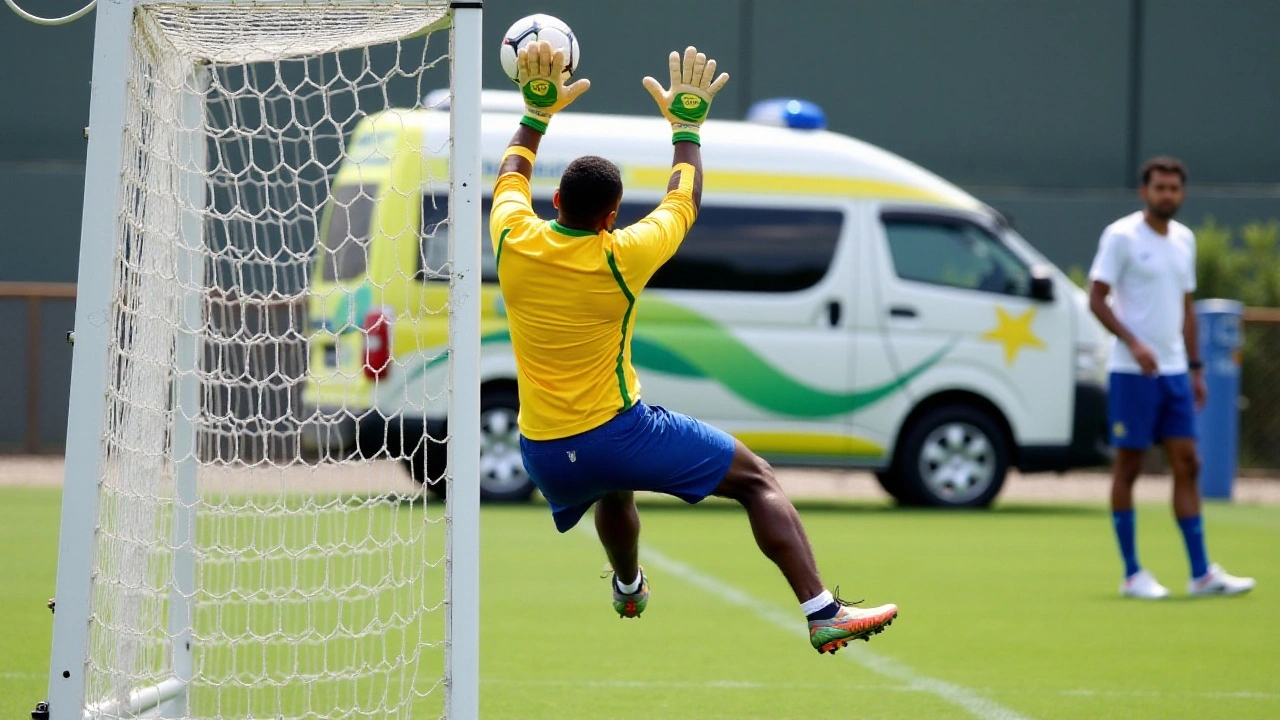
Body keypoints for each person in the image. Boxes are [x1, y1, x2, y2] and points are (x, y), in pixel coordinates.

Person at [489, 41, 897, 653]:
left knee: (610, 487)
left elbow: (512, 173)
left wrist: (536, 114)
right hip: (616, 432)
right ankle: (822, 611)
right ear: (613, 216)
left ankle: (628, 585)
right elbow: (684, 200)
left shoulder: (510, 235)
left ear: (555, 204)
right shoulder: (623, 254)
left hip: (543, 451)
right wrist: (687, 127)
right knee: (757, 480)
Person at [1088, 156, 1255, 599]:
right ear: (1145, 192)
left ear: (1182, 193)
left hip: (1176, 372)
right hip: (1131, 371)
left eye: (1174, 188)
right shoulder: (1121, 237)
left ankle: (1201, 573)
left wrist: (1196, 369)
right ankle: (1131, 574)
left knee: (1189, 463)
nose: (1167, 194)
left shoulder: (1184, 240)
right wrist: (1135, 344)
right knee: (1131, 466)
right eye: (1159, 187)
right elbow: (1097, 300)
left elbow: (1185, 308)